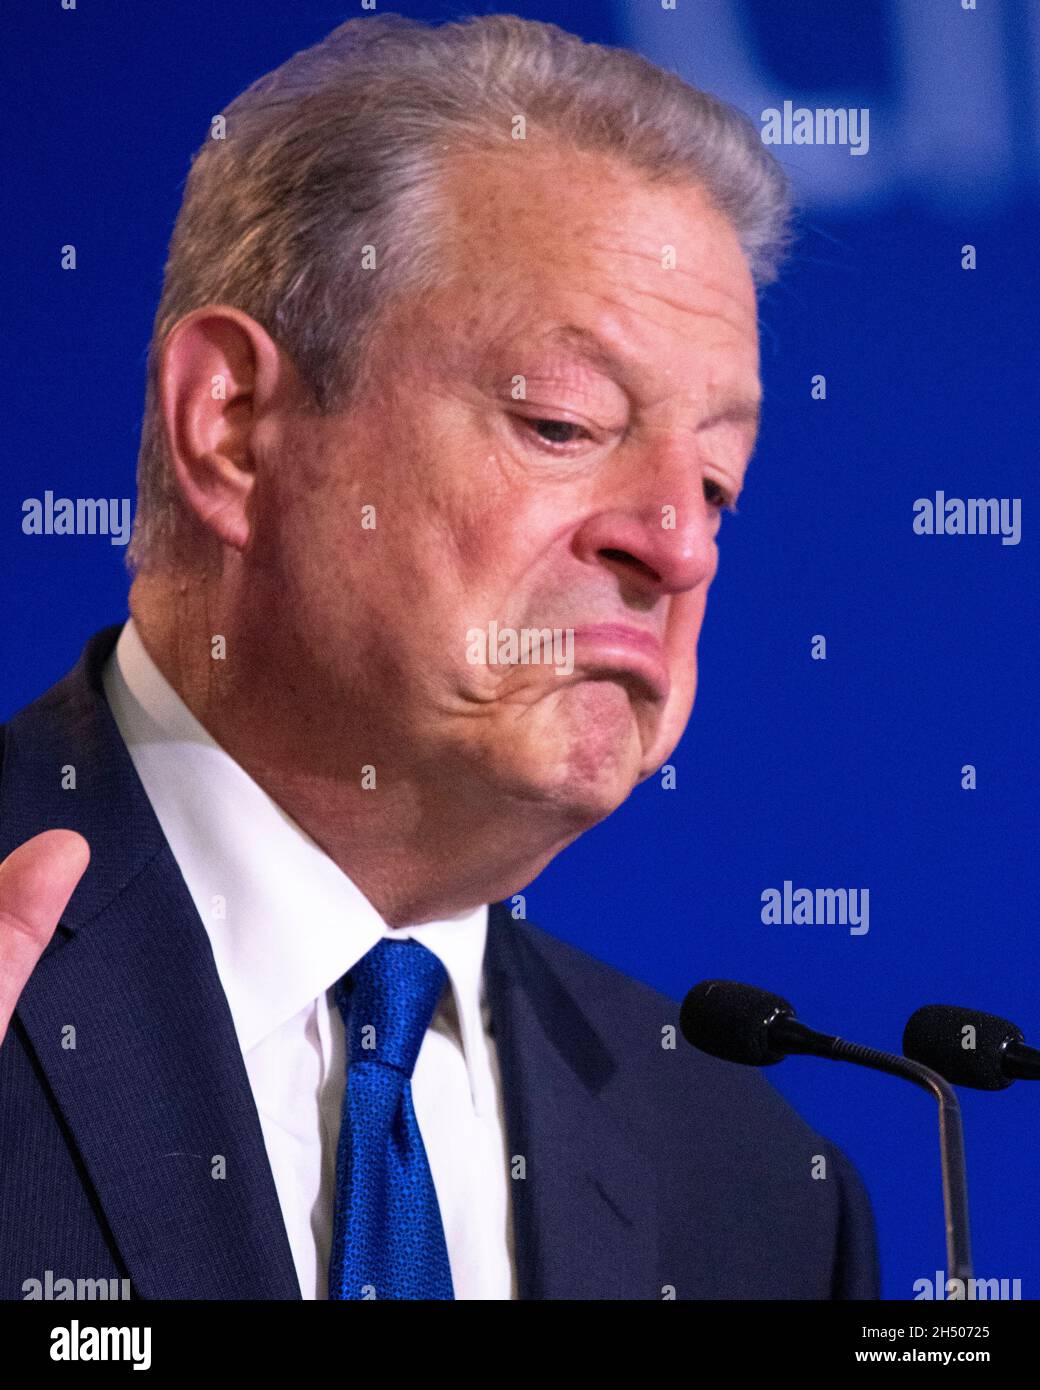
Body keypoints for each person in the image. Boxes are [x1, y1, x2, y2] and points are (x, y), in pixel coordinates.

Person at [0, 13, 879, 1300]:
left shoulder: (752, 1193)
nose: (676, 545)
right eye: (561, 421)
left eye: (716, 479)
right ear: (234, 426)